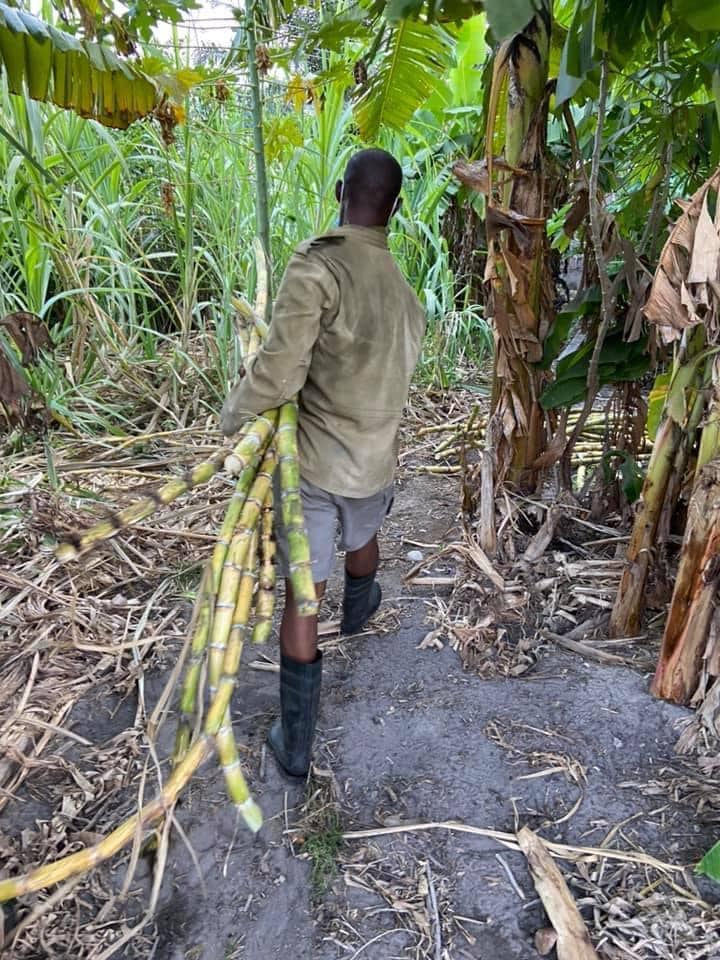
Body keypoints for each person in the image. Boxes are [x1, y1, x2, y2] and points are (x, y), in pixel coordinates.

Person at [220, 148, 426, 778]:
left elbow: (280, 373)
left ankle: (297, 743)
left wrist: (233, 415)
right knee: (363, 533)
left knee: (304, 595)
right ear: (395, 207)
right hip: (375, 459)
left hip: (314, 463)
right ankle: (361, 611)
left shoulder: (319, 266)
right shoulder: (405, 293)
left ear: (341, 191)